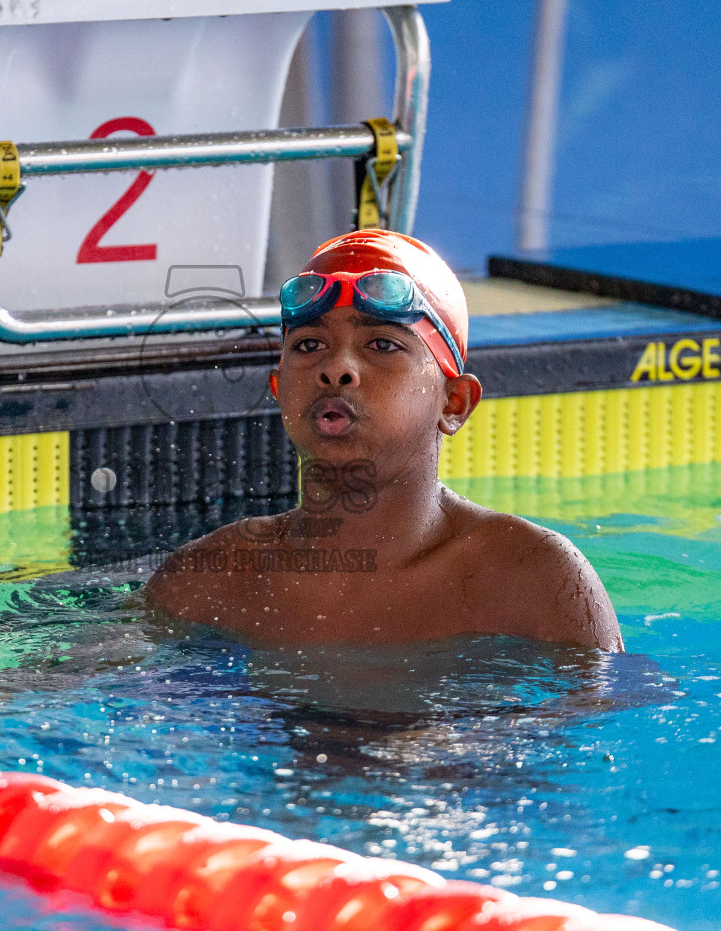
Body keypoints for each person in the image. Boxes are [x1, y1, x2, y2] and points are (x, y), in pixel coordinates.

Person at [146, 229, 624, 652]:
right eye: (309, 345)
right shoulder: (210, 579)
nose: (337, 369)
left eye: (382, 345)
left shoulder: (531, 578)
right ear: (278, 391)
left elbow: (601, 732)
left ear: (454, 403)